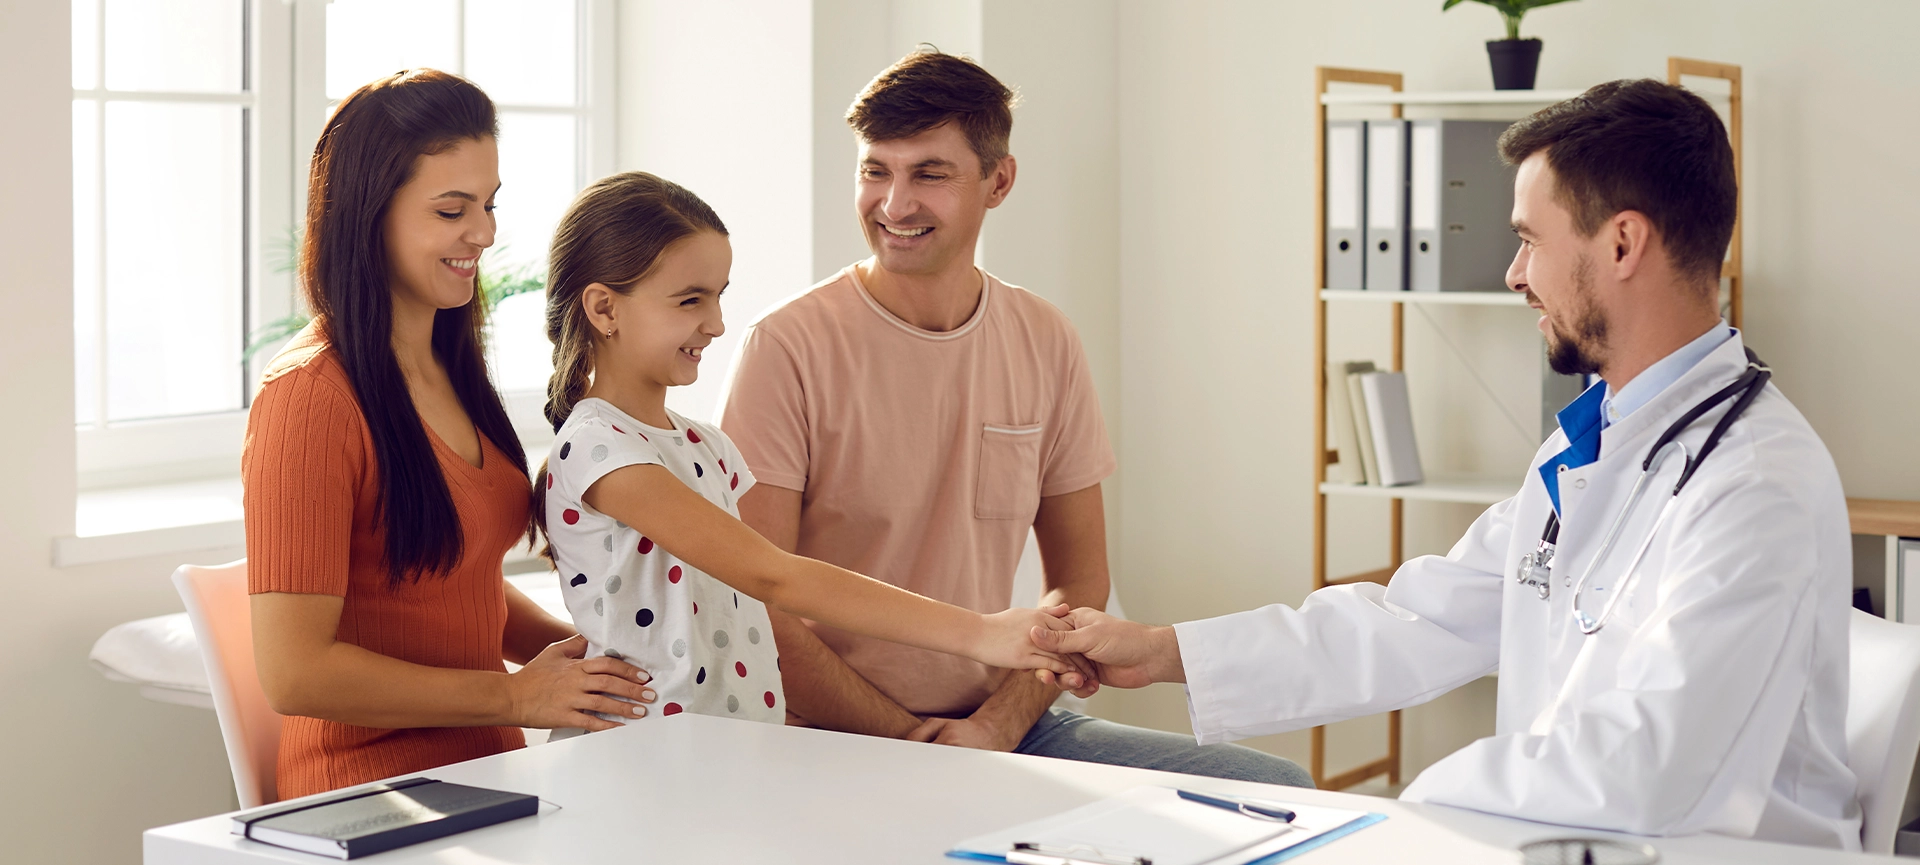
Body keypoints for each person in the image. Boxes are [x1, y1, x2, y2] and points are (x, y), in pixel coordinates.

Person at [1032, 79, 1861, 848]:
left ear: (1622, 243)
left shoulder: (1756, 483)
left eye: (1530, 241)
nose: (1514, 276)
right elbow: (1416, 620)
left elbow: (1656, 762)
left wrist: (1410, 807)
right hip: (1571, 842)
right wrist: (1161, 649)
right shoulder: (1596, 441)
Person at [716, 49, 1311, 786]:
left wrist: (997, 725)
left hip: (1009, 724)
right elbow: (751, 600)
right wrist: (911, 739)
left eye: (929, 173)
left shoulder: (1044, 335)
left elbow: (1081, 581)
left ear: (998, 181)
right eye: (876, 170)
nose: (895, 204)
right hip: (828, 729)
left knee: (1278, 789)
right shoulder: (787, 346)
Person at [532, 171, 1087, 731]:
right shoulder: (599, 449)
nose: (717, 324)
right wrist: (983, 633)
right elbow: (773, 577)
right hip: (641, 759)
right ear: (605, 310)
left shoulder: (706, 445)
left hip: (730, 753)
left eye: (719, 296)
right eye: (689, 300)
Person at [246, 70, 654, 798]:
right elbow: (294, 670)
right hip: (372, 791)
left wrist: (597, 655)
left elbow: (454, 581)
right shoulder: (308, 399)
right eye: (451, 210)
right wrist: (514, 696)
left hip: (492, 772)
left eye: (489, 205)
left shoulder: (446, 366)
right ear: (369, 214)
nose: (485, 233)